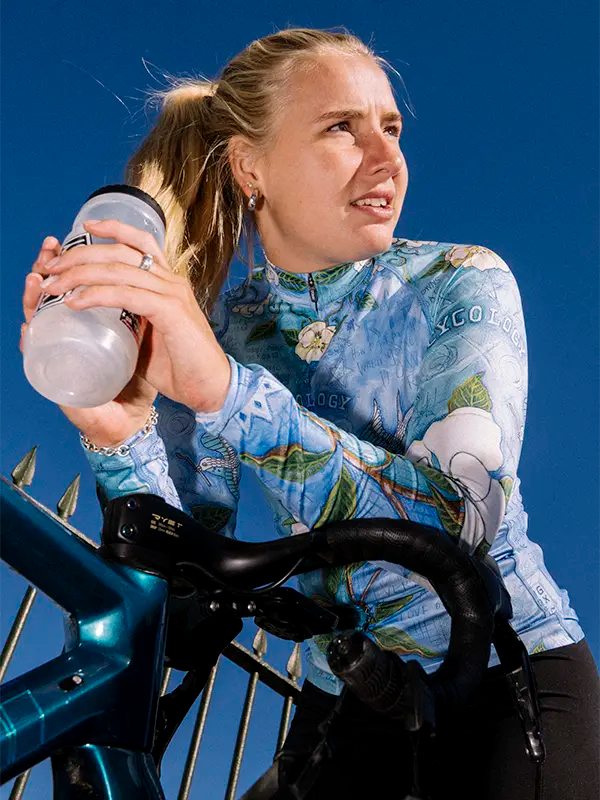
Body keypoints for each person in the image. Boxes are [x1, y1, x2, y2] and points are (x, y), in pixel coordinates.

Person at [22, 27, 600, 800]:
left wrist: (225, 392)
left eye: (391, 128)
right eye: (341, 126)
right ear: (248, 166)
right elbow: (181, 575)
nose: (387, 157)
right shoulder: (224, 333)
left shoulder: (460, 281)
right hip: (349, 694)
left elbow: (460, 525)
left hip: (506, 681)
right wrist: (118, 435)